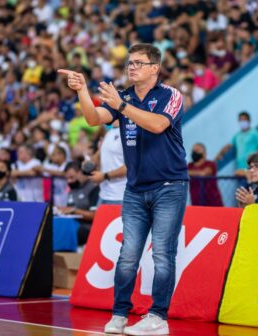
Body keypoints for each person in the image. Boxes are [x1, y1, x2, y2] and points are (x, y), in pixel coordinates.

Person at [58, 43, 188, 336]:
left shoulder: (170, 95)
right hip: (135, 189)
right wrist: (81, 91)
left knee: (163, 255)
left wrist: (120, 106)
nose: (131, 67)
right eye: (129, 63)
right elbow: (93, 120)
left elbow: (157, 125)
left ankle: (158, 317)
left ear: (154, 68)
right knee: (128, 254)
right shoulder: (124, 96)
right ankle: (119, 315)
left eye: (138, 63)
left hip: (170, 185)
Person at [57, 159, 99, 246]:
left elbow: (95, 215)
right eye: (67, 178)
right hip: (72, 225)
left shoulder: (93, 188)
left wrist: (74, 210)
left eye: (72, 177)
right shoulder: (73, 189)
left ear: (80, 172)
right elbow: (69, 210)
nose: (69, 181)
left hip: (87, 228)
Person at [89, 120, 127, 205]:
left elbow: (130, 166)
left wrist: (104, 176)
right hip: (103, 195)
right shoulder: (109, 132)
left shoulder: (128, 133)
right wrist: (88, 164)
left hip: (120, 196)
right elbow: (98, 156)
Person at [216, 111, 258, 176]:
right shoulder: (237, 135)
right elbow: (228, 146)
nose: (242, 122)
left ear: (249, 121)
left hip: (252, 168)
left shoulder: (255, 133)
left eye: (244, 120)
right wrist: (219, 154)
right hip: (240, 169)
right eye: (240, 120)